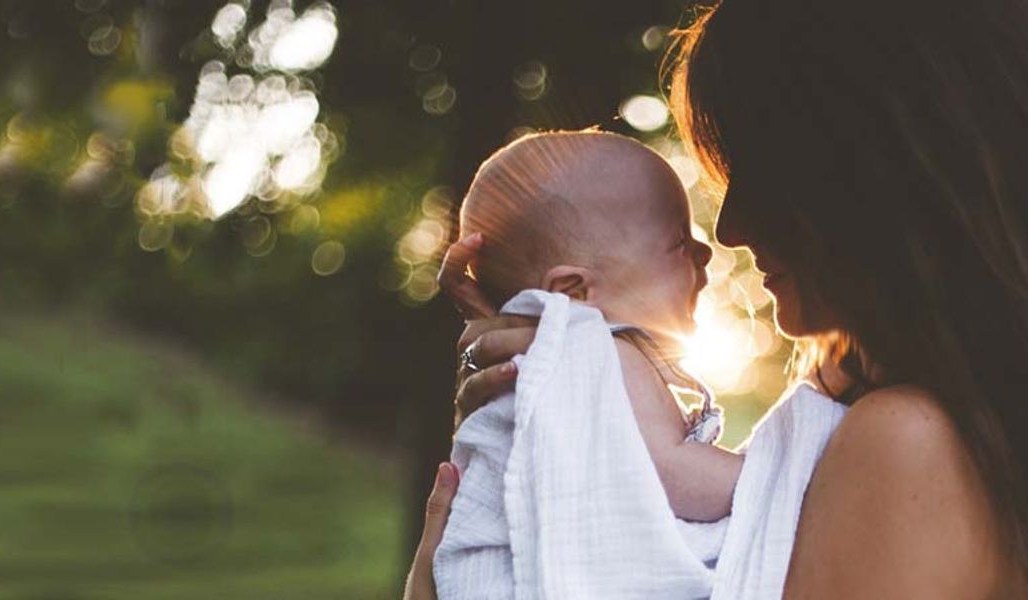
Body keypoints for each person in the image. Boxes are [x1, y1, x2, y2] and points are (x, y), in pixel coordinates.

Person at [405, 0, 1028, 596]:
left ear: (871, 169)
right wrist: (542, 403)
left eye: (758, 171)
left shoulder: (907, 441)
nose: (728, 229)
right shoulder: (964, 425)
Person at [447, 129, 735, 523]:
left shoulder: (548, 371)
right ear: (574, 294)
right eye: (679, 242)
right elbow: (671, 476)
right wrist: (782, 472)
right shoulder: (607, 354)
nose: (706, 251)